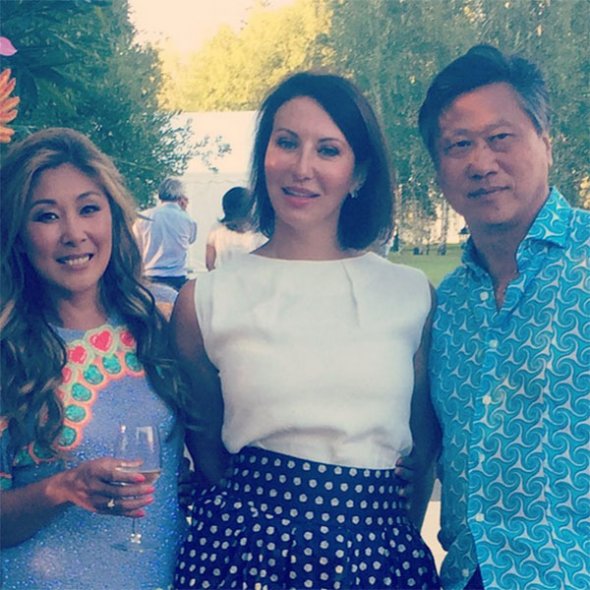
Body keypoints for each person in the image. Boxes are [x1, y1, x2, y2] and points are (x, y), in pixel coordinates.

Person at [172, 71, 441, 590]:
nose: (301, 168)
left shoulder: (410, 295)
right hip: (245, 555)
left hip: (376, 558)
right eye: (287, 142)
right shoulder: (206, 300)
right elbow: (204, 442)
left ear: (359, 173)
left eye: (328, 150)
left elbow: (422, 449)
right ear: (264, 155)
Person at [418, 45, 590, 589]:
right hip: (469, 574)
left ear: (546, 141)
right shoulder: (446, 305)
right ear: (439, 170)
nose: (481, 162)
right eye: (458, 144)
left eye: (500, 137)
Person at [0, 128, 189, 589]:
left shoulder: (160, 323)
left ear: (114, 218)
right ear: (19, 236)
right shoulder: (8, 348)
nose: (74, 233)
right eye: (47, 216)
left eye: (88, 209)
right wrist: (62, 488)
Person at [133, 177, 197, 291]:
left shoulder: (143, 218)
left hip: (148, 275)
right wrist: (184, 211)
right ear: (181, 196)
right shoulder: (187, 220)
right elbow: (191, 240)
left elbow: (136, 244)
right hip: (176, 276)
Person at [205, 186, 267, 270]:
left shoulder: (216, 229)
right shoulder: (259, 233)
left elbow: (209, 263)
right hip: (249, 277)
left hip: (224, 276)